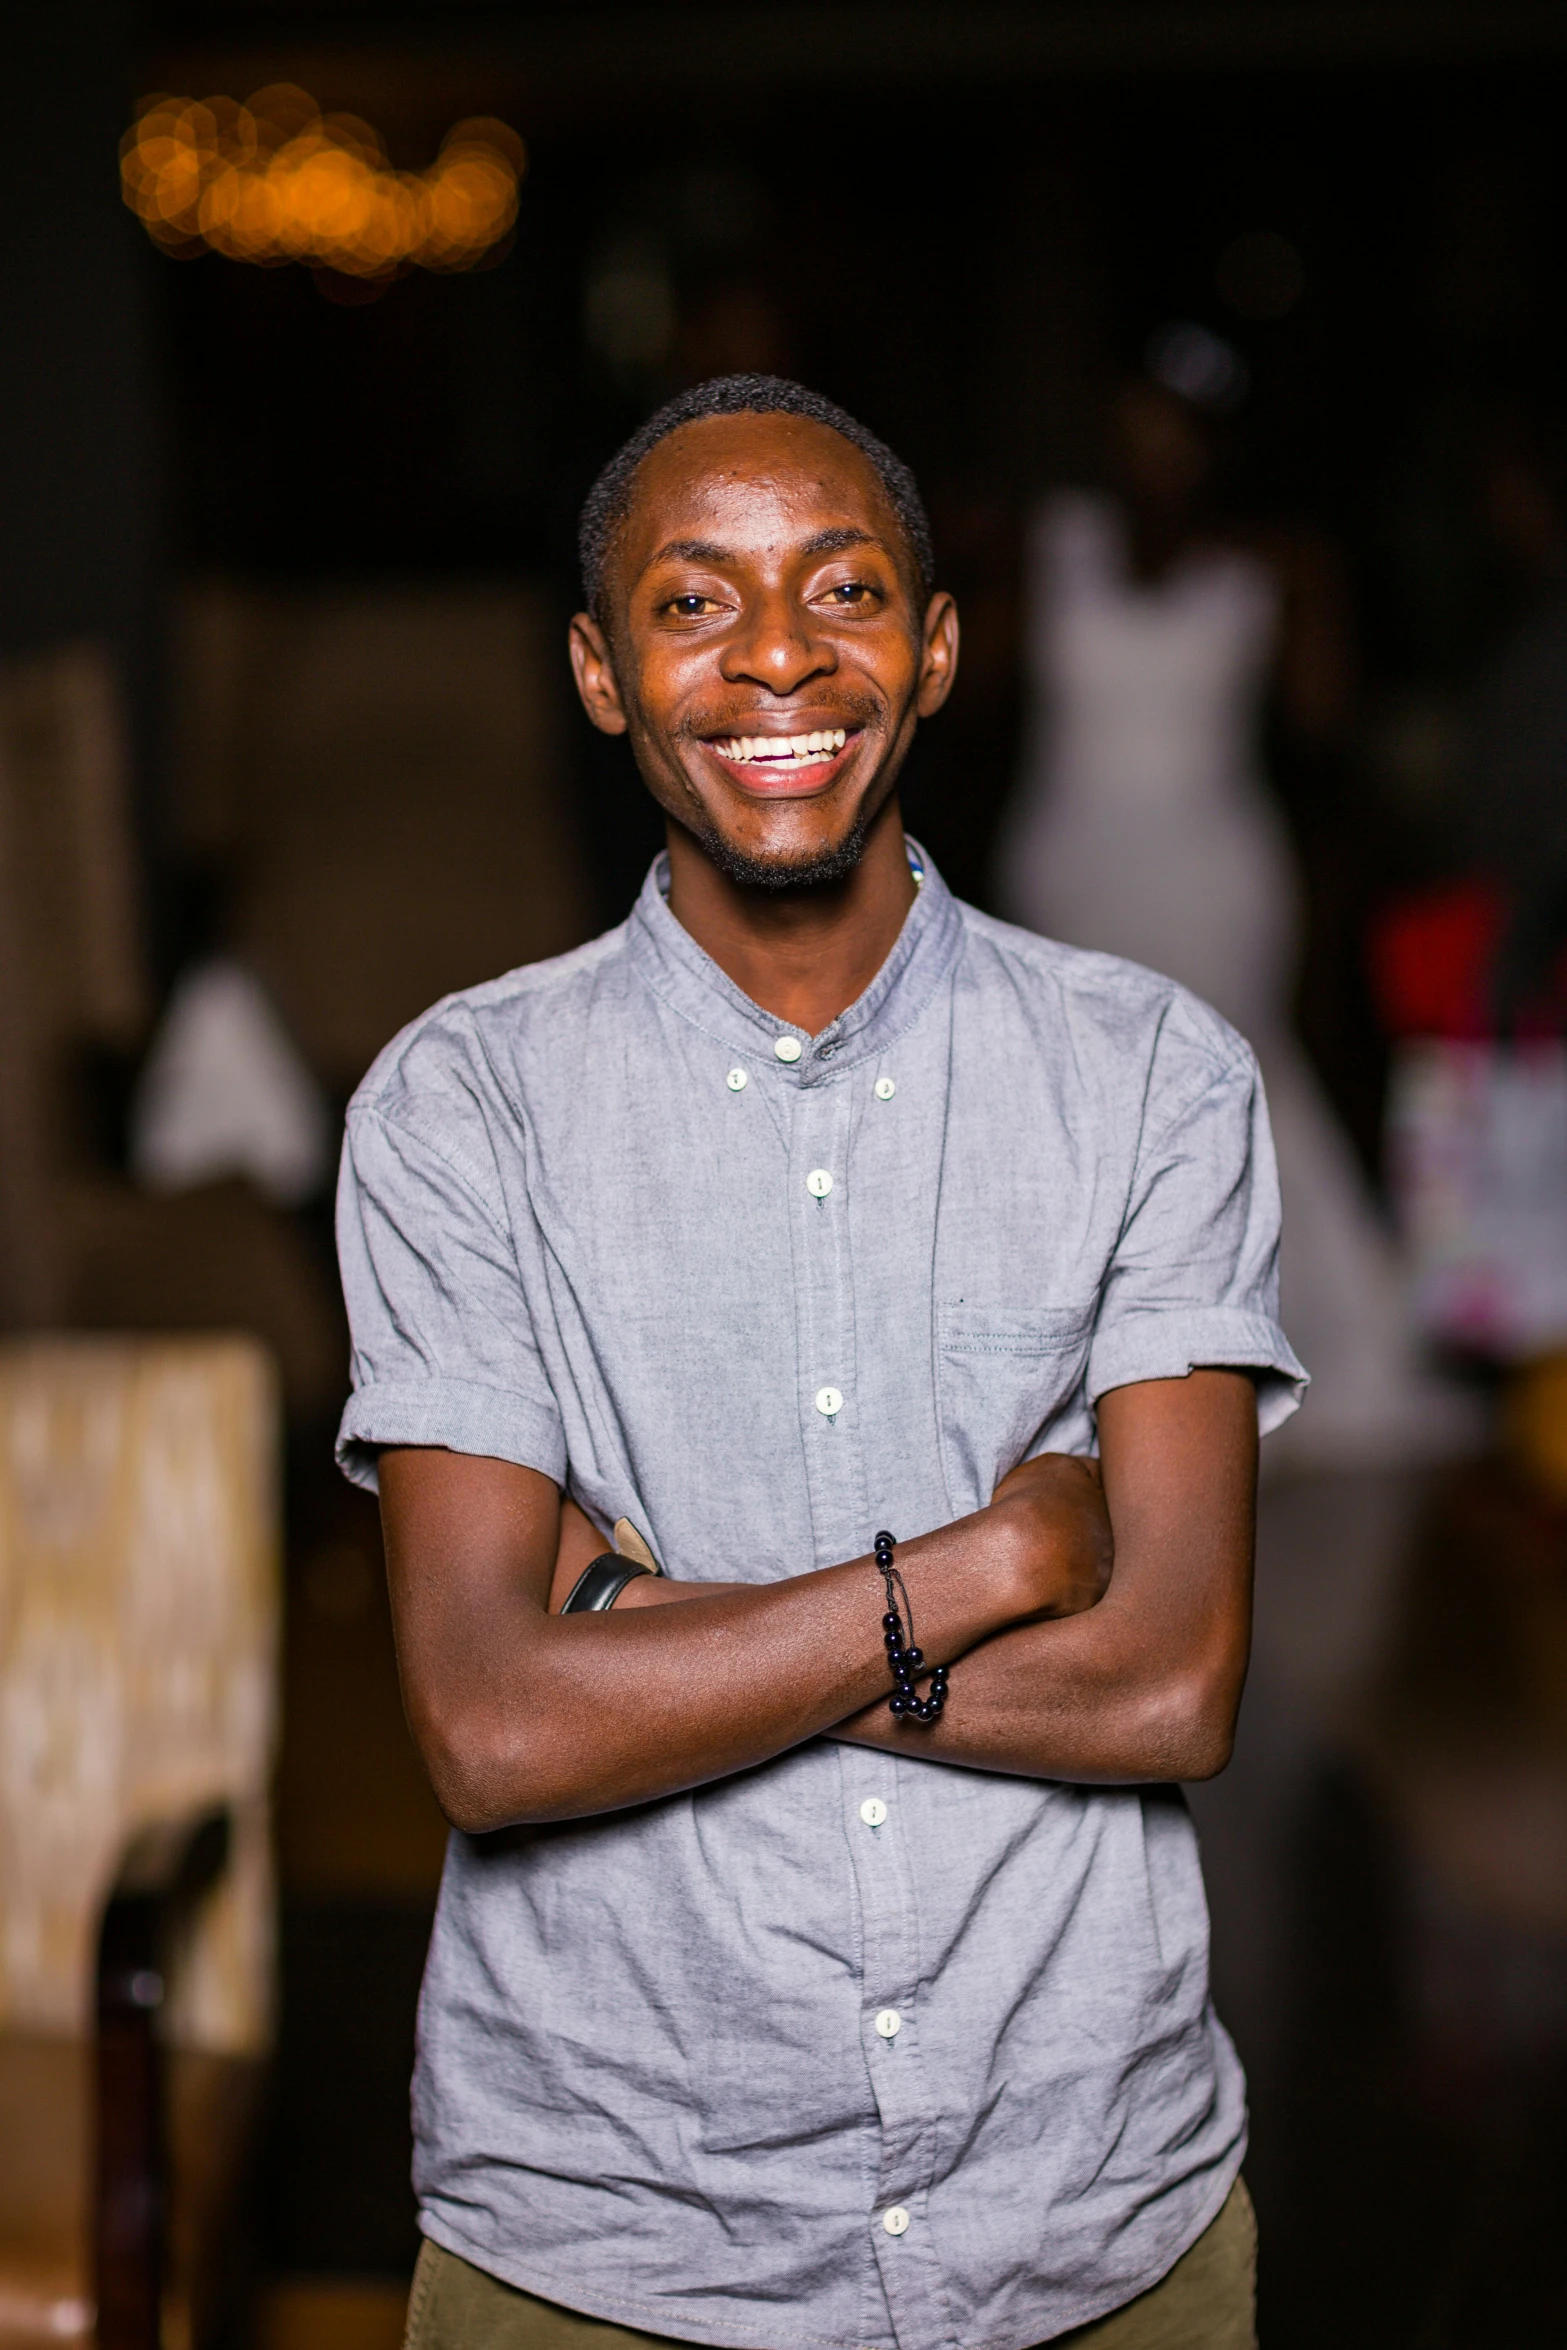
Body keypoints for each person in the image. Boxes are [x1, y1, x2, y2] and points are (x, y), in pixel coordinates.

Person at [336, 375, 1304, 2350]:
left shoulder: (1154, 1080)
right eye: (693, 604)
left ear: (933, 648)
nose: (778, 653)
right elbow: (496, 1733)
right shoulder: (461, 1109)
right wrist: (991, 1564)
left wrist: (641, 1627)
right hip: (605, 2249)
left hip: (1095, 2232)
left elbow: (1173, 1683)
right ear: (602, 675)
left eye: (841, 588)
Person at [995, 369, 1443, 1466]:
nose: (1155, 460)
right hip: (1072, 863)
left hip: (1210, 867)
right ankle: (1083, 1376)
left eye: (1177, 440)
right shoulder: (1041, 544)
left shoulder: (1268, 568)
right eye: (1134, 434)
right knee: (1075, 1110)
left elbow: (1325, 727)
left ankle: (1255, 1351)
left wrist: (1316, 594)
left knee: (1222, 1089)